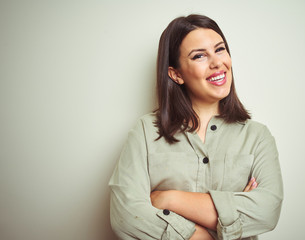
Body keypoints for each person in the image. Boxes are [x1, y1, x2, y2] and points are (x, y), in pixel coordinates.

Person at [109, 14, 283, 240]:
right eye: (199, 55)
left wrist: (167, 199)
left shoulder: (257, 137)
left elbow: (266, 211)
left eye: (220, 49)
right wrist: (198, 235)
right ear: (176, 74)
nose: (217, 63)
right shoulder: (146, 131)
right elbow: (125, 215)